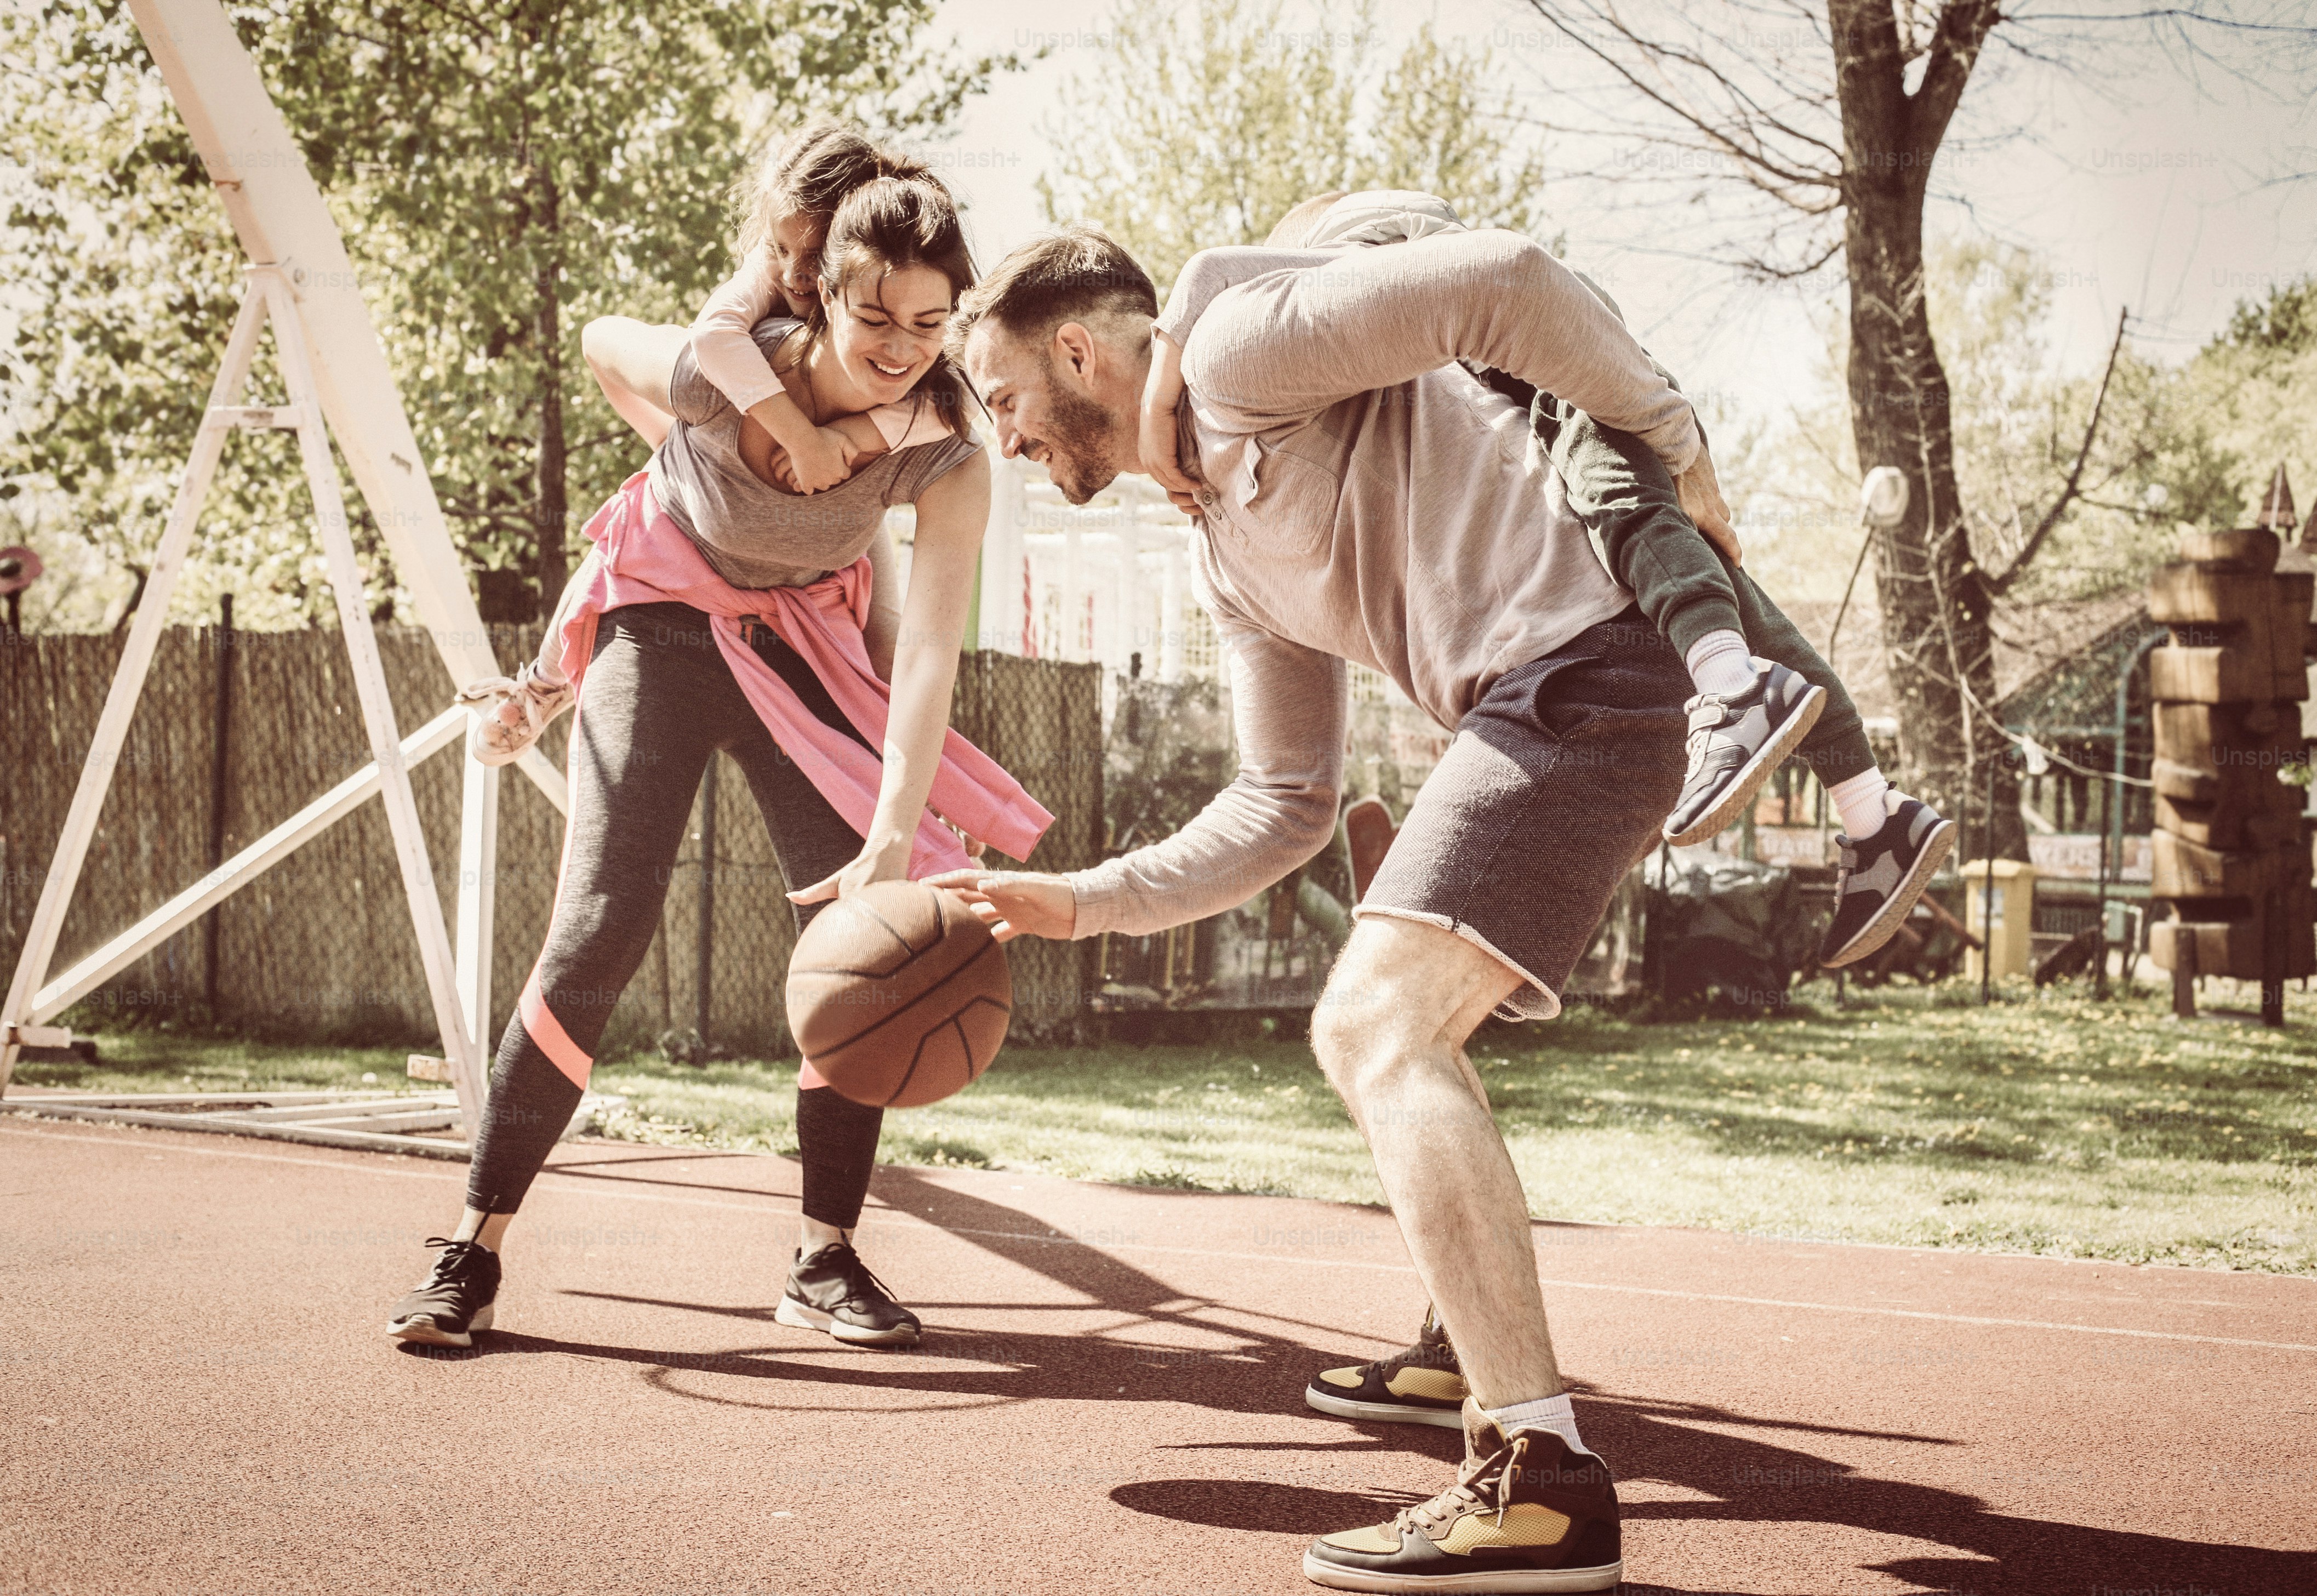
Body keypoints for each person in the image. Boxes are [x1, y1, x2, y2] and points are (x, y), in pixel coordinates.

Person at [935, 221, 1708, 1591]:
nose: (1000, 443)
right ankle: (1461, 1358)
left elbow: (1507, 284)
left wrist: (1677, 453)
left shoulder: (1236, 355)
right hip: (1537, 704)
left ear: (1073, 348)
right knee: (1405, 1032)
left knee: (1375, 1030)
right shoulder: (1222, 553)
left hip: (1591, 670)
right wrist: (1085, 902)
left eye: (1000, 402)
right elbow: (1283, 802)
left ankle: (1539, 1480)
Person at [383, 172, 1052, 1354]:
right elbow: (599, 340)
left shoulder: (948, 452)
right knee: (603, 916)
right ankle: (471, 1249)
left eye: (930, 322)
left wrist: (892, 836)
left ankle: (824, 1255)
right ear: (825, 297)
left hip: (805, 634)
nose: (902, 345)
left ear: (956, 317)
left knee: (866, 935)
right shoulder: (725, 368)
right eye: (877, 317)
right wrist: (697, 451)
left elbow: (928, 662)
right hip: (667, 617)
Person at [1140, 190, 1953, 973]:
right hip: (1574, 393)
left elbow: (1219, 271)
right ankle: (1875, 813)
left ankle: (1734, 687)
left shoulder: (1401, 259)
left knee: (1621, 508)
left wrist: (1159, 395)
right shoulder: (1460, 362)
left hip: (1584, 391)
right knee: (1733, 593)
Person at [455, 119, 959, 765]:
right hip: (727, 436)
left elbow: (956, 406)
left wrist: (852, 436)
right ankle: (543, 687)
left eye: (813, 257)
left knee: (887, 643)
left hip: (843, 487)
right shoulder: (767, 277)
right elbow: (712, 341)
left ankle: (943, 787)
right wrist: (797, 437)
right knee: (642, 519)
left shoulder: (892, 311)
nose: (796, 275)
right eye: (782, 249)